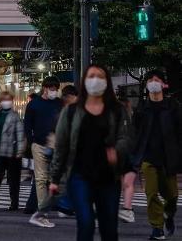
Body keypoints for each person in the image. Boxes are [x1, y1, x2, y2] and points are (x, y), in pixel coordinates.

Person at [50, 64, 131, 241]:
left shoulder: (117, 110)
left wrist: (116, 152)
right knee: (85, 223)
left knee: (109, 228)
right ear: (84, 82)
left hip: (108, 176)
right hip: (80, 175)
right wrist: (54, 178)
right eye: (91, 76)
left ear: (107, 82)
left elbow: (125, 138)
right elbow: (61, 145)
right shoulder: (71, 111)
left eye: (100, 76)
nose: (95, 80)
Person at [132, 69, 181, 240]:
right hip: (148, 158)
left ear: (163, 84)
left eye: (157, 79)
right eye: (150, 79)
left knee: (172, 196)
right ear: (146, 85)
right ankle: (157, 228)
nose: (153, 82)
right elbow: (136, 133)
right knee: (151, 193)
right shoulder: (142, 108)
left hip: (169, 158)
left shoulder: (173, 106)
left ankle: (169, 214)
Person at [24, 76, 63, 228]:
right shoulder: (34, 104)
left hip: (57, 145)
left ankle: (56, 206)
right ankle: (42, 212)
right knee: (40, 178)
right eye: (52, 89)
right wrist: (32, 140)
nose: (54, 92)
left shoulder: (60, 104)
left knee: (56, 178)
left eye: (56, 89)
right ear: (45, 88)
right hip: (39, 145)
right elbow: (27, 125)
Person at [0, 91, 25, 211]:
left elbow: (20, 133)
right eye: (3, 99)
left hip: (12, 152)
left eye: (8, 99)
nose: (6, 102)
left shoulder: (15, 115)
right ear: (0, 101)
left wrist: (20, 150)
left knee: (13, 180)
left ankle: (14, 203)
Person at [116, 91, 137, 224]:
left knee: (121, 183)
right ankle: (128, 209)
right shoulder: (134, 117)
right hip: (132, 152)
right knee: (128, 183)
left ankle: (127, 210)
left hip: (121, 152)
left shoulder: (118, 118)